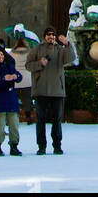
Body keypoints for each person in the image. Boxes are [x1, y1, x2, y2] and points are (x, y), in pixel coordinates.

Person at [26, 26, 74, 155]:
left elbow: (71, 58)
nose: (51, 37)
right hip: (41, 90)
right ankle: (41, 146)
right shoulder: (36, 49)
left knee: (57, 120)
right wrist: (39, 64)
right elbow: (28, 65)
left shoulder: (60, 50)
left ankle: (57, 145)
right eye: (48, 34)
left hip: (57, 91)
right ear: (44, 36)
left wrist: (67, 44)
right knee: (40, 120)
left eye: (53, 34)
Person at [0, 46, 23, 156]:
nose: (0, 57)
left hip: (11, 99)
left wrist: (15, 76)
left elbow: (19, 77)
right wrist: (3, 79)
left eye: (2, 55)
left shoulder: (9, 66)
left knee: (14, 124)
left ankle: (14, 145)